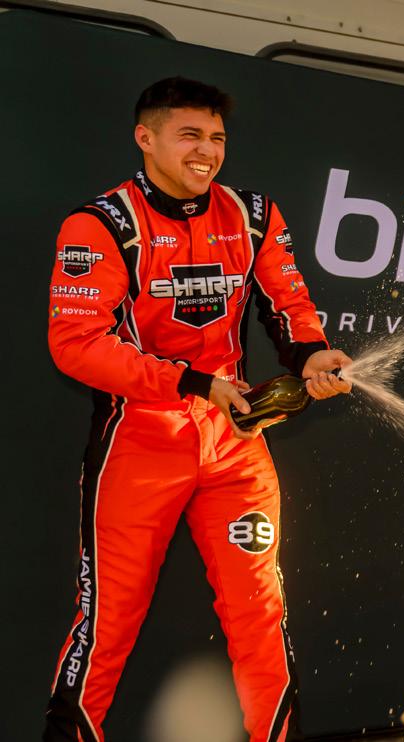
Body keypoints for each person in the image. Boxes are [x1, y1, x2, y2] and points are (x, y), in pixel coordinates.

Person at [44, 76, 351, 742]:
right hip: (138, 441)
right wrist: (189, 383)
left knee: (260, 613)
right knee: (108, 619)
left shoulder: (253, 215)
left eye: (216, 137)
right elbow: (76, 345)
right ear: (145, 138)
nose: (207, 151)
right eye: (189, 135)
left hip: (235, 440)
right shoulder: (100, 225)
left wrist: (311, 356)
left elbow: (289, 305)